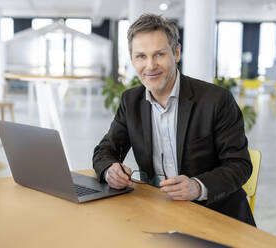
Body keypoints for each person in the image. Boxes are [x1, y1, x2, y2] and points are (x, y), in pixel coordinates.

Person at [92, 14, 255, 226]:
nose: (150, 66)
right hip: (158, 213)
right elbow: (104, 151)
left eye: (159, 54)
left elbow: (239, 164)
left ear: (176, 52)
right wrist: (109, 170)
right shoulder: (130, 101)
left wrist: (197, 186)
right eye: (141, 56)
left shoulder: (216, 100)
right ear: (132, 59)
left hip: (216, 215)